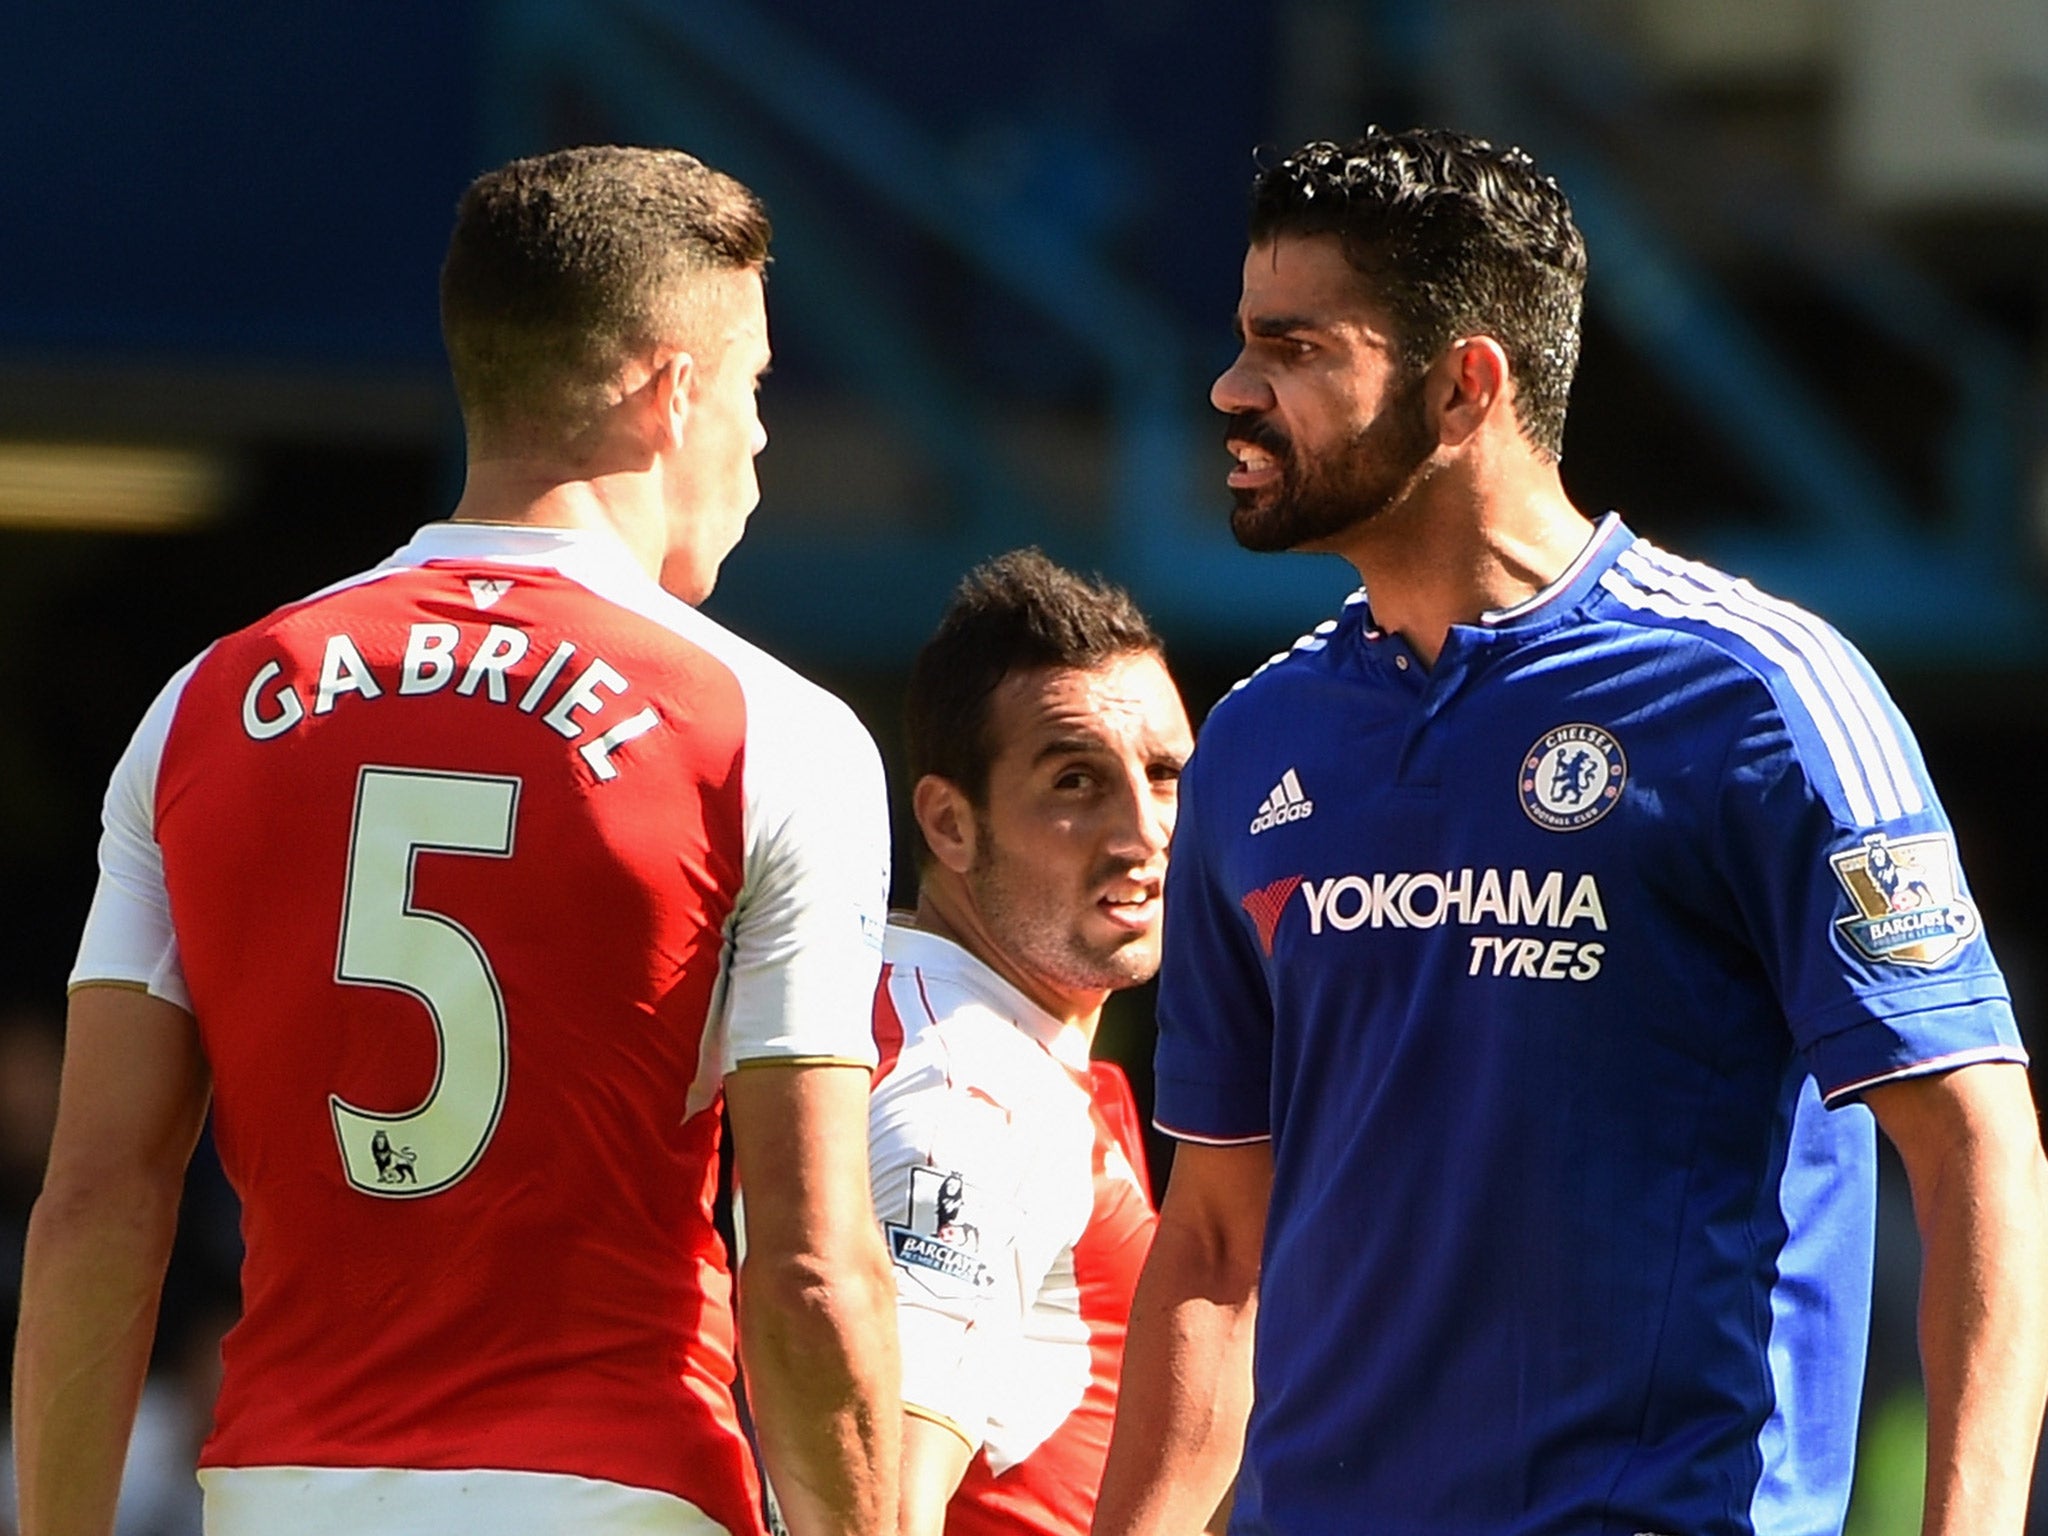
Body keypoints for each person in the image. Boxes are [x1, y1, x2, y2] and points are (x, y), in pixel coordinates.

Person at [1091, 128, 2048, 1536]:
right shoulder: (1254, 742)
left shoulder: (1759, 697)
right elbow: (1219, 1237)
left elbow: (1977, 1147)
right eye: (1244, 341)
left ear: (1466, 385)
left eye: (1293, 349)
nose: (1233, 391)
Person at [13, 144, 901, 1536]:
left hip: (282, 1488)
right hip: (616, 1485)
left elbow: (95, 1201)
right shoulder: (771, 732)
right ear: (672, 391)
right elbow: (807, 1270)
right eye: (756, 385)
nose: (763, 439)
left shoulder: (202, 708)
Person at [869, 550, 1195, 1535]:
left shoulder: (930, 1017)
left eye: (1164, 775)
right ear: (949, 823)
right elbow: (873, 1499)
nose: (1141, 835)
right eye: (1074, 780)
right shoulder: (969, 1088)